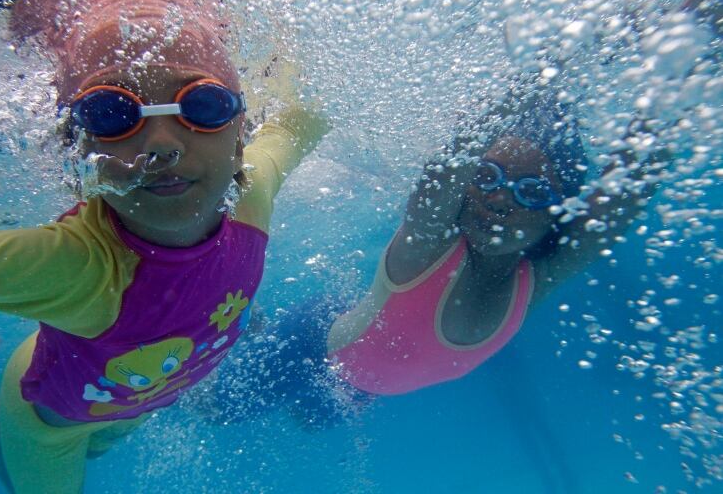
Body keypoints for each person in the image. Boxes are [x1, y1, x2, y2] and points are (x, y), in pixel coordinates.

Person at [0, 0, 327, 492]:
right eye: (110, 114)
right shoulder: (78, 267)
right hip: (53, 418)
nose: (162, 146)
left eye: (203, 107)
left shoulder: (253, 192)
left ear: (241, 135)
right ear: (73, 151)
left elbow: (306, 117)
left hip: (137, 391)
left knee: (102, 448)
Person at [201, 87, 670, 429]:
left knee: (309, 421)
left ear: (557, 212)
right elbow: (442, 173)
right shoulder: (425, 249)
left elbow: (622, 197)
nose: (499, 199)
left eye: (530, 191)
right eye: (486, 177)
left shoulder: (535, 280)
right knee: (219, 410)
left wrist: (671, 76)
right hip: (315, 341)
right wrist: (544, 74)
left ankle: (255, 327)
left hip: (360, 381)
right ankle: (248, 330)